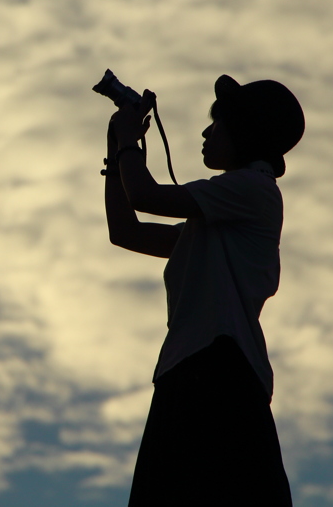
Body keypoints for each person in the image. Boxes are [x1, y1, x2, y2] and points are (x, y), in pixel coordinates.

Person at [104, 74, 304, 506]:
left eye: (218, 124)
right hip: (194, 369)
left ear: (246, 132)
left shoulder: (253, 189)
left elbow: (143, 196)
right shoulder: (222, 218)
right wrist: (116, 152)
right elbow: (126, 232)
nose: (206, 132)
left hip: (215, 370)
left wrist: (126, 145)